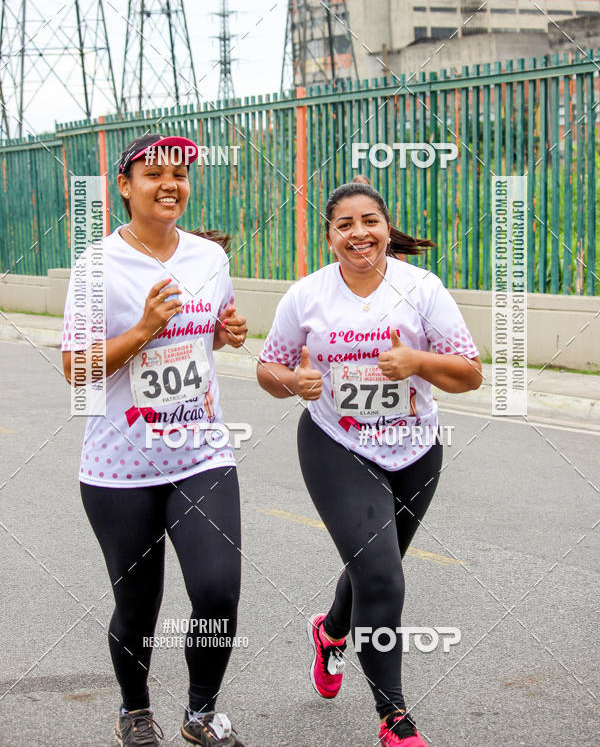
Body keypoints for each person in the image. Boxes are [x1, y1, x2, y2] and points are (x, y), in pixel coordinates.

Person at [256, 181, 482, 746]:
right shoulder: (306, 296)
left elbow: (470, 374)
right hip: (337, 444)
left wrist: (418, 361)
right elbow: (268, 370)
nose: (359, 233)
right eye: (345, 224)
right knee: (382, 574)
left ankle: (331, 632)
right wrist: (295, 382)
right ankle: (394, 718)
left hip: (415, 448)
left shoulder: (422, 289)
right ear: (330, 235)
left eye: (370, 221)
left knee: (372, 570)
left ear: (386, 227)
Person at [61, 133, 248, 747]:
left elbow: (204, 338)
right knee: (139, 605)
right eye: (154, 174)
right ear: (124, 186)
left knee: (217, 588)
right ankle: (135, 710)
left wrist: (225, 332)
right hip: (120, 464)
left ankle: (200, 711)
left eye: (181, 175)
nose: (171, 184)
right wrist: (143, 328)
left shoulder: (208, 258)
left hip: (201, 452)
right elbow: (75, 368)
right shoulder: (97, 265)